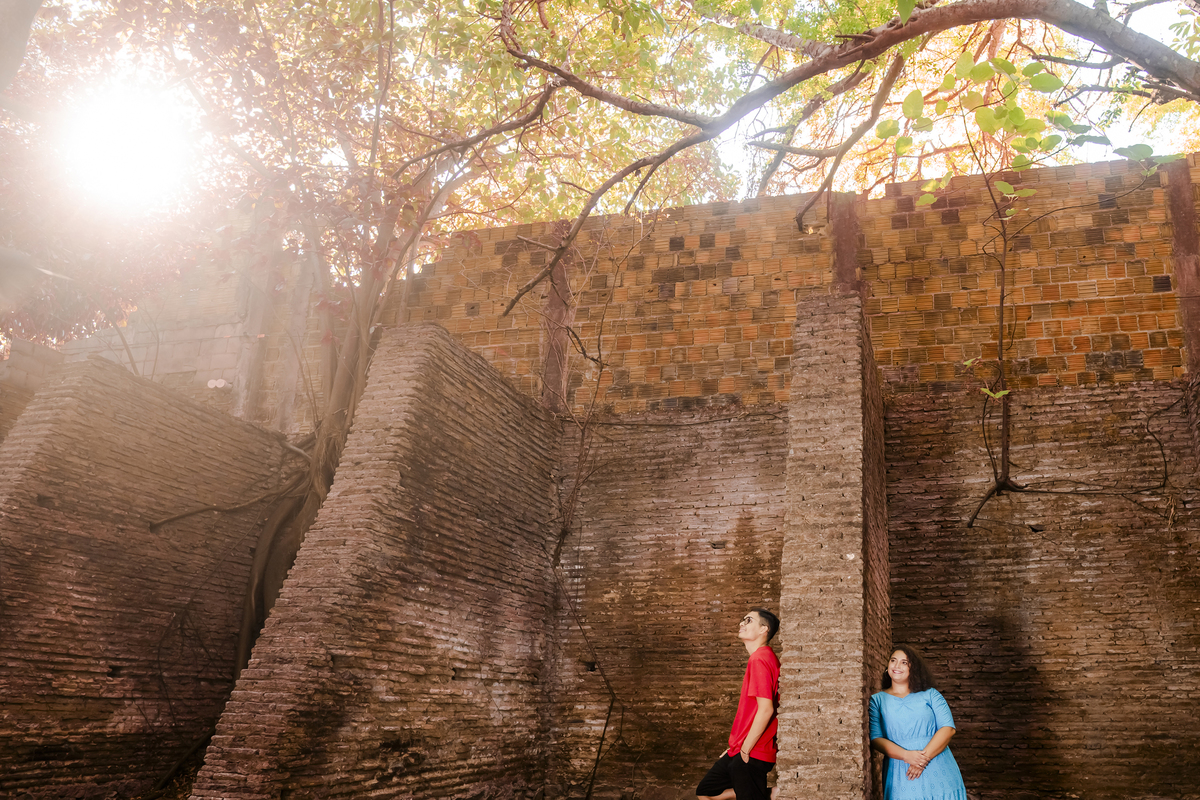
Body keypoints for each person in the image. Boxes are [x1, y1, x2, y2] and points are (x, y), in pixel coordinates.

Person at [696, 608, 781, 800]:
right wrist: (737, 746)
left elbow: (766, 710)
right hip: (741, 748)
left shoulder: (760, 659)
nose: (742, 623)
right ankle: (769, 794)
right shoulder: (763, 657)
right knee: (705, 791)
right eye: (743, 620)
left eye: (749, 620)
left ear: (763, 629)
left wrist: (745, 749)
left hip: (753, 751)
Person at [868, 645, 968, 800]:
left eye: (904, 662)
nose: (897, 665)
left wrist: (921, 760)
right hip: (901, 770)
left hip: (938, 765)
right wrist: (906, 755)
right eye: (893, 660)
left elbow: (948, 729)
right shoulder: (877, 700)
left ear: (913, 668)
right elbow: (876, 738)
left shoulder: (931, 694)